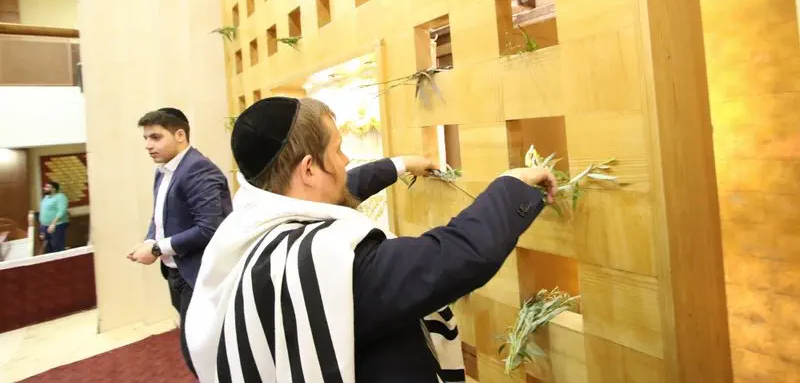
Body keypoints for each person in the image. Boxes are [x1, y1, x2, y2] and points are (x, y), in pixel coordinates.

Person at [185, 96, 557, 383]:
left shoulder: (246, 226)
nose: (346, 160)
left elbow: (338, 189)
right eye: (337, 149)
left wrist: (399, 165)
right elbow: (457, 254)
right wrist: (512, 185)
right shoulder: (328, 265)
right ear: (309, 169)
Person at [126, 107, 233, 374]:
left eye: (156, 137)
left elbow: (209, 228)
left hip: (200, 274)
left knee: (200, 351)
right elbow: (159, 216)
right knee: (198, 349)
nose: (148, 145)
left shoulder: (198, 168)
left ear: (180, 135)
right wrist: (148, 240)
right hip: (176, 271)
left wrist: (156, 248)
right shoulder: (163, 170)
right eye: (146, 138)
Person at [39, 182, 69, 253]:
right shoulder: (46, 197)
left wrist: (53, 224)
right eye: (45, 187)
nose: (44, 188)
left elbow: (61, 211)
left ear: (54, 189)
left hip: (57, 225)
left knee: (57, 246)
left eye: (47, 187)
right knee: (48, 247)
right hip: (45, 226)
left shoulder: (60, 197)